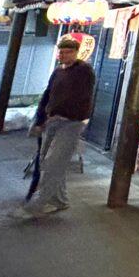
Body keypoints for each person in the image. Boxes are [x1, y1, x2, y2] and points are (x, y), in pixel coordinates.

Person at [9, 37, 95, 219]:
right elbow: (47, 94)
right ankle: (59, 200)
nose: (64, 55)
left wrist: (61, 112)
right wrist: (41, 120)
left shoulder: (84, 71)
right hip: (53, 121)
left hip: (72, 123)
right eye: (61, 52)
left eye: (68, 52)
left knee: (53, 162)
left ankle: (38, 204)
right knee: (47, 161)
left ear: (76, 53)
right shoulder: (57, 72)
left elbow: (81, 96)